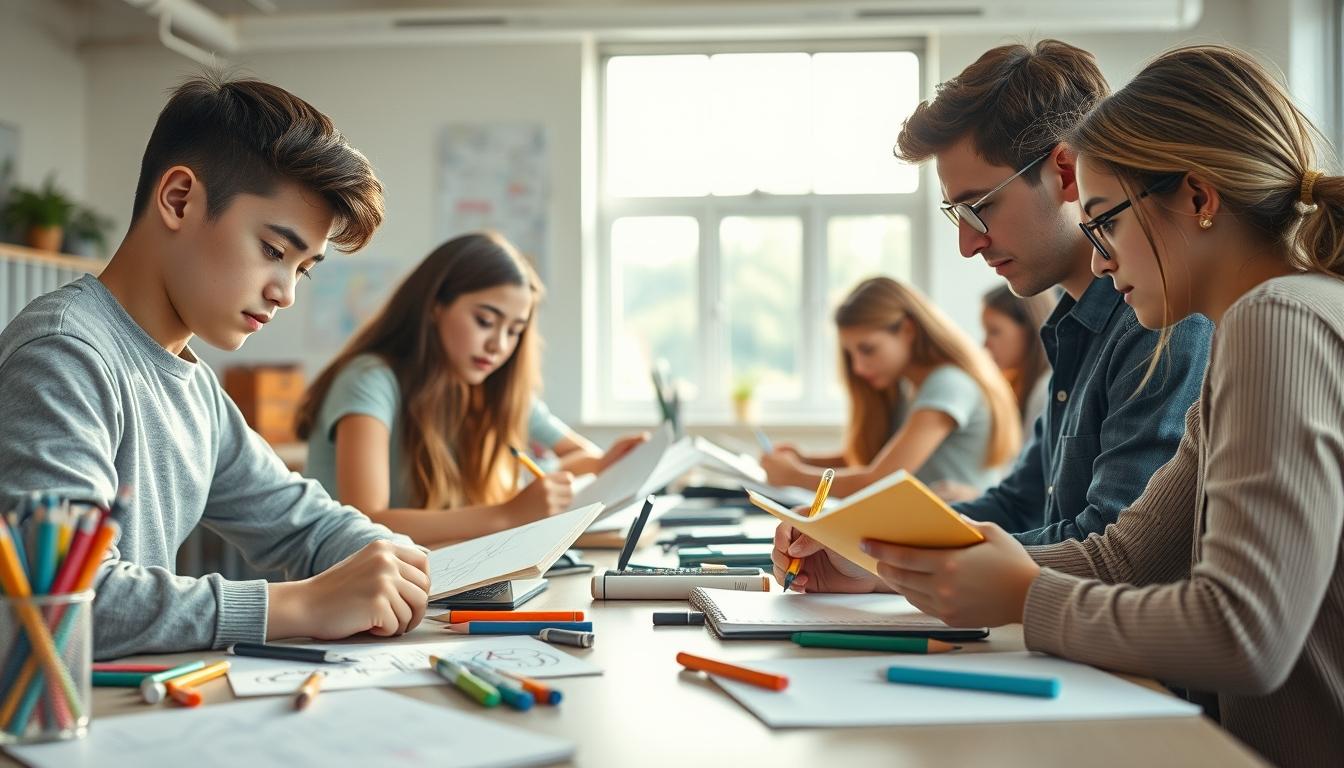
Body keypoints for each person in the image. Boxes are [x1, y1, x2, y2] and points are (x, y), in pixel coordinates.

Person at [775, 45, 1344, 767]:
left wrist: (1024, 597)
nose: (1102, 260)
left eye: (1105, 222)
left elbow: (1244, 633)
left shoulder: (1277, 320)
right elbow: (1125, 556)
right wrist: (892, 566)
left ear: (1198, 198)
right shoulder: (1259, 325)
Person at [0, 73, 429, 658]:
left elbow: (304, 523)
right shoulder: (64, 354)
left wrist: (404, 569)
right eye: (274, 251)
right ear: (179, 199)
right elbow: (64, 599)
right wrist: (302, 604)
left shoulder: (194, 388)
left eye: (302, 268)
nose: (285, 293)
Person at [898, 39, 1211, 544]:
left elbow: (1110, 545)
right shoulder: (1072, 325)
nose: (967, 243)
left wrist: (899, 564)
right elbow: (1022, 503)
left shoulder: (1160, 322)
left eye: (979, 207)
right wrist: (871, 541)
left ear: (1065, 172)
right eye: (956, 214)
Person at [297, 232, 646, 547]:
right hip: (347, 588)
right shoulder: (370, 380)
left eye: (514, 331)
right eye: (485, 321)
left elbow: (574, 454)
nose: (498, 345)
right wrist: (508, 514)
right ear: (436, 306)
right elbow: (367, 519)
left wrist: (602, 463)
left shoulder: (489, 385)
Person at [760, 276, 1019, 498]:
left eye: (868, 350)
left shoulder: (948, 384)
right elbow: (881, 459)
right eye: (851, 355)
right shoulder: (909, 388)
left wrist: (794, 475)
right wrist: (805, 460)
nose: (859, 368)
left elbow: (880, 481)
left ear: (907, 330)